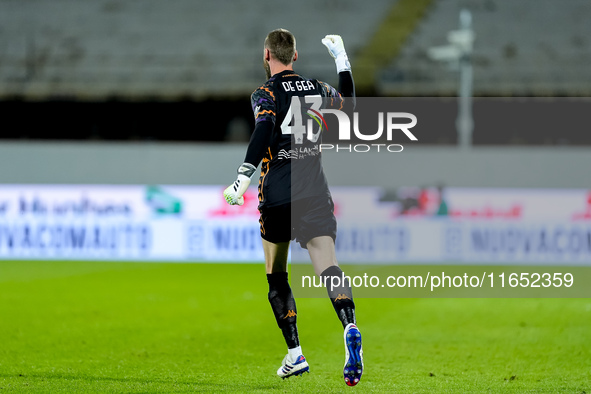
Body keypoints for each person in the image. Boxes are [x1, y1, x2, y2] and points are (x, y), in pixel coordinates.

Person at [223, 28, 363, 387]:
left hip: (278, 195)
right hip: (314, 191)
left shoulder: (265, 93)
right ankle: (349, 324)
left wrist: (243, 178)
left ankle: (295, 354)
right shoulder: (317, 88)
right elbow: (351, 106)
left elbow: (264, 129)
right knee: (329, 266)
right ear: (295, 56)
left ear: (266, 55)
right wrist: (341, 59)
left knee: (277, 273)